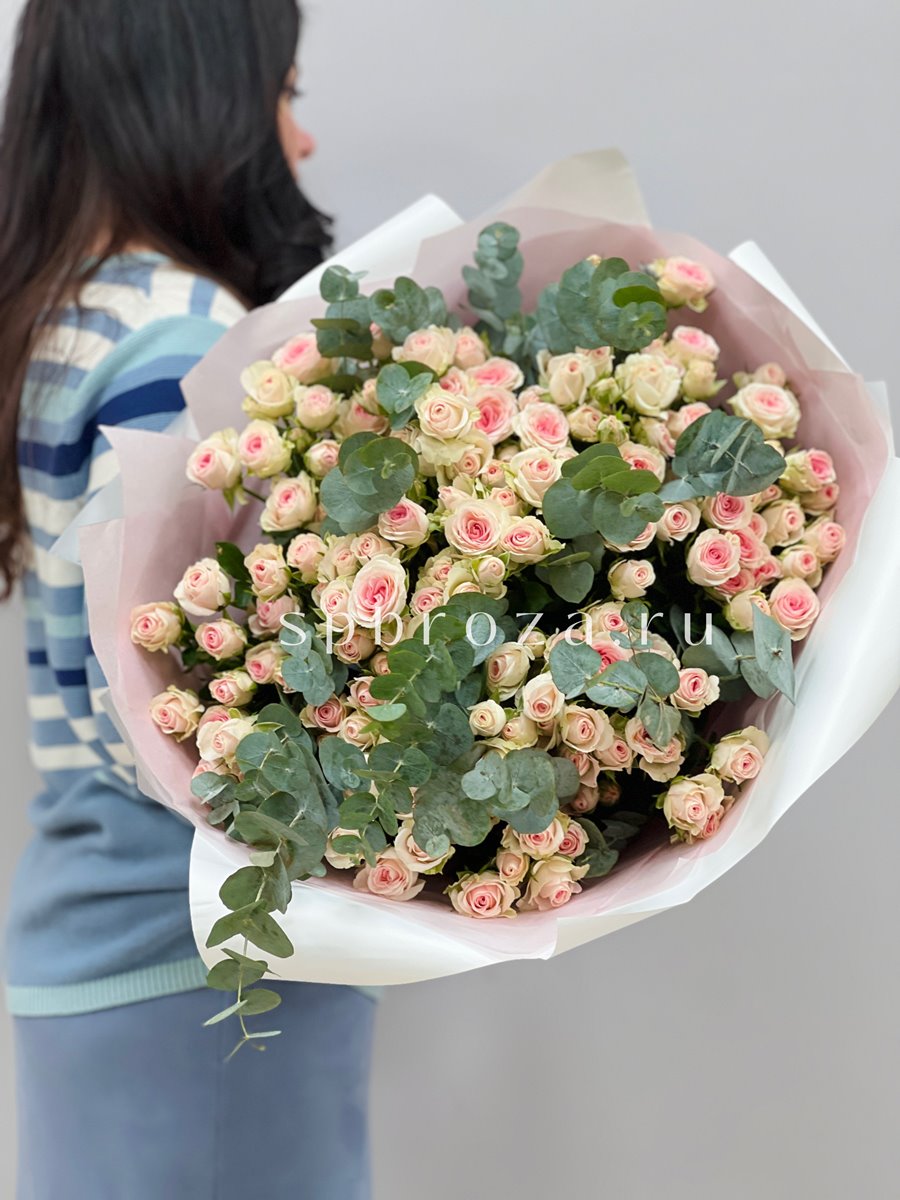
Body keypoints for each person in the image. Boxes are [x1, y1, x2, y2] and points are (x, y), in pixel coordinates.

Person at [0, 3, 375, 1197]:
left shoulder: (77, 310)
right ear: (199, 97)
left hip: (107, 945)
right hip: (205, 970)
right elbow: (185, 723)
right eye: (286, 92)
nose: (301, 139)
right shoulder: (181, 344)